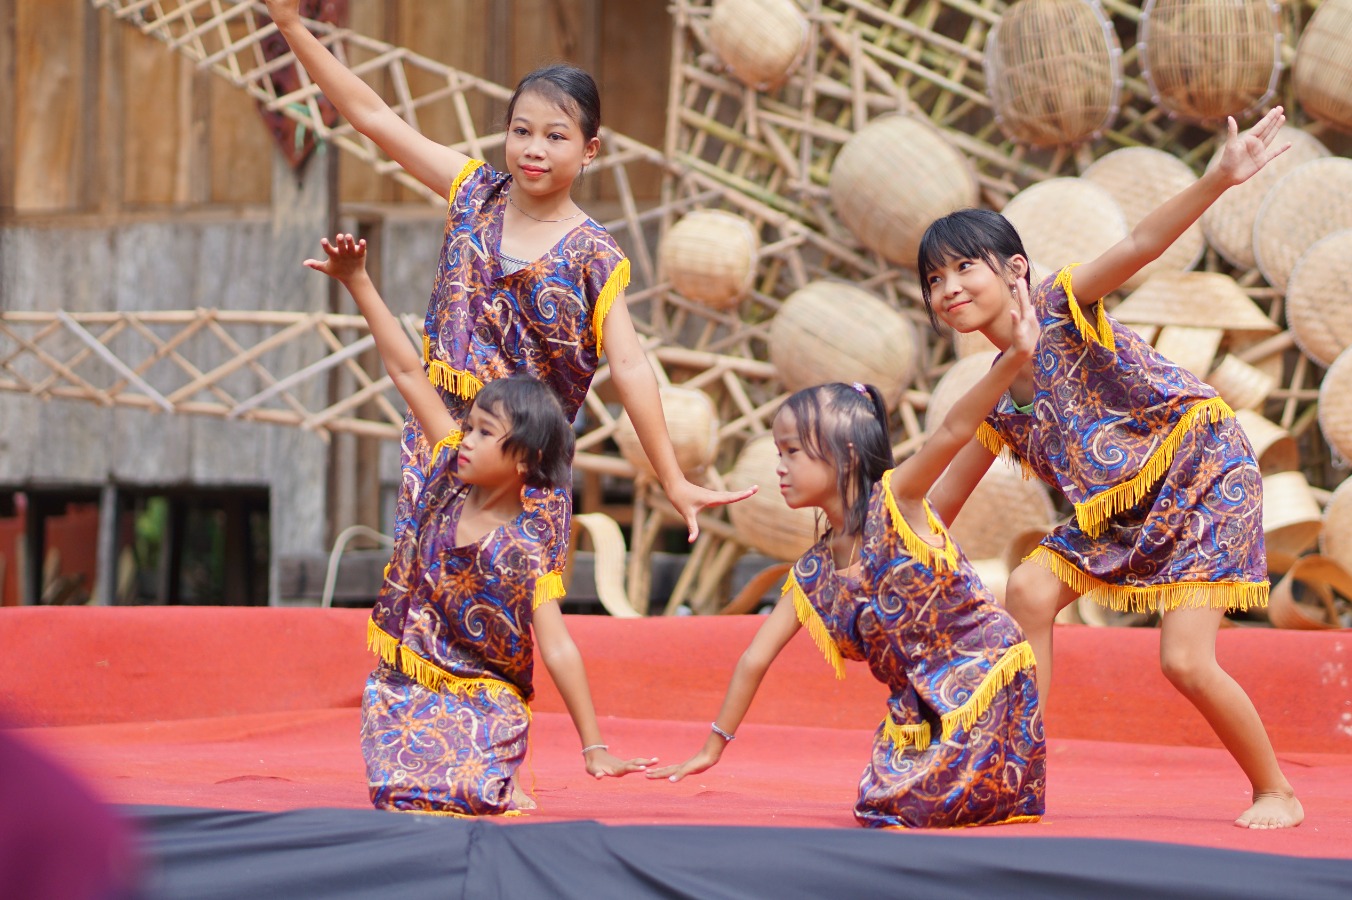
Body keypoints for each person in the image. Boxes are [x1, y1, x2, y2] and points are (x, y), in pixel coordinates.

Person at [915, 109, 1302, 830]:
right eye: (935, 279)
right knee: (1028, 588)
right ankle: (1016, 765)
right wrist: (875, 555)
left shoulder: (1064, 302)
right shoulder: (997, 395)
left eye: (965, 266)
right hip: (1123, 513)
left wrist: (1219, 176)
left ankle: (1276, 788)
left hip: (1203, 472)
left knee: (1185, 663)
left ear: (1015, 269)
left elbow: (1140, 241)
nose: (949, 287)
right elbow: (936, 499)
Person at [265, 0, 754, 542]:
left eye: (556, 136)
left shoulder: (595, 254)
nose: (533, 149)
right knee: (428, 603)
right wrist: (290, 25)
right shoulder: (474, 192)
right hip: (441, 442)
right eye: (521, 131)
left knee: (513, 612)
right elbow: (374, 117)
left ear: (590, 150)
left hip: (525, 467)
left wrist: (672, 477)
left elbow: (632, 367)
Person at [647, 300, 1046, 828]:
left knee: (908, 808)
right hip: (918, 712)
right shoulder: (813, 572)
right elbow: (754, 657)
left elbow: (952, 430)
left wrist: (1017, 356)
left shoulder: (897, 500)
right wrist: (712, 747)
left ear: (847, 456)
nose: (780, 467)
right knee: (875, 804)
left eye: (793, 452)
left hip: (986, 684)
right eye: (778, 451)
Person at [306, 233, 654, 815]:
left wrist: (594, 747)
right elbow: (407, 372)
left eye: (484, 434)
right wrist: (357, 280)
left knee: (472, 791)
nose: (464, 441)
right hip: (411, 683)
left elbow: (560, 649)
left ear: (523, 460)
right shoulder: (445, 469)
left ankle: (503, 764)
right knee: (399, 789)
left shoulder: (526, 550)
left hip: (487, 693)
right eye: (468, 428)